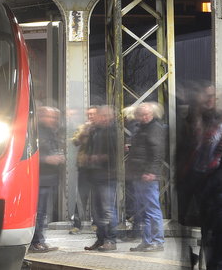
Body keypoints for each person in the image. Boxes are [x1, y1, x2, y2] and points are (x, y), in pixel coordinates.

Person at [126, 102, 167, 251]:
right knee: (144, 209)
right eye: (141, 114)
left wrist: (152, 171)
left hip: (147, 175)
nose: (144, 117)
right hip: (139, 174)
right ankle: (147, 241)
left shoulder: (155, 128)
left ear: (152, 114)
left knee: (151, 209)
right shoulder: (141, 128)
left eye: (147, 114)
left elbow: (157, 153)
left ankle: (157, 241)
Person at [80, 105, 120, 252]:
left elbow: (115, 154)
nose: (98, 118)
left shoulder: (113, 132)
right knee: (97, 212)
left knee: (108, 209)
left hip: (107, 176)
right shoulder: (95, 131)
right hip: (94, 175)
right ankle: (101, 238)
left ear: (109, 117)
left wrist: (98, 157)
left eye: (102, 115)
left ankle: (111, 240)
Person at [30, 106, 64, 253]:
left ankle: (40, 240)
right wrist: (47, 159)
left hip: (48, 178)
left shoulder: (51, 132)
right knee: (38, 212)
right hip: (39, 179)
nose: (53, 120)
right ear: (41, 116)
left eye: (55, 117)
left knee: (42, 212)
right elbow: (29, 154)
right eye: (50, 117)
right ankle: (36, 242)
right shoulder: (35, 132)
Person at [69, 106, 98, 233]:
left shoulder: (102, 128)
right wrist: (84, 131)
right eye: (89, 114)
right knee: (81, 196)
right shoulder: (83, 128)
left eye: (93, 114)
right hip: (84, 166)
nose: (90, 117)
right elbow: (75, 141)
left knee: (97, 196)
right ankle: (77, 224)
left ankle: (96, 223)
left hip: (98, 167)